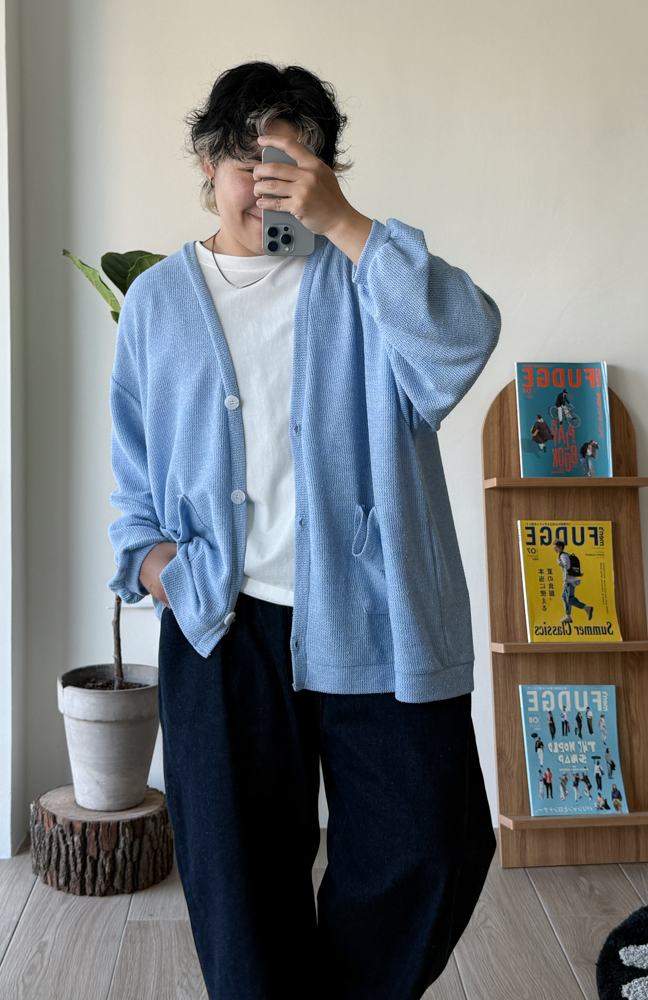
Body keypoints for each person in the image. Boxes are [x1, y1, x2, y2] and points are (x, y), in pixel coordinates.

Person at [106, 62, 500, 1000]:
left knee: (434, 846)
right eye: (249, 158)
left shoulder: (366, 273)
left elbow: (463, 342)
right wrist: (157, 565)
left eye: (294, 159)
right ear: (208, 165)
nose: (267, 181)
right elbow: (134, 470)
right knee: (239, 891)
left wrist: (349, 226)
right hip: (222, 625)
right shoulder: (159, 300)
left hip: (374, 616)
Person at [553, 539, 593, 625]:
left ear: (560, 547)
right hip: (569, 580)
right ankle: (568, 616)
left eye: (556, 547)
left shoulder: (563, 556)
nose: (555, 549)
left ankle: (586, 608)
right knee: (564, 597)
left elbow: (567, 566)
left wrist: (560, 563)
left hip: (569, 581)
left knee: (569, 599)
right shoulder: (565, 554)